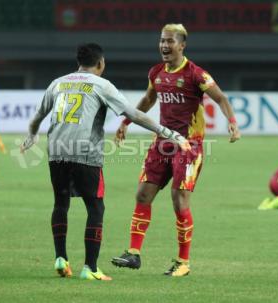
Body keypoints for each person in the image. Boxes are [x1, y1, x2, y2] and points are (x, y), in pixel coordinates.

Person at [20, 43, 190, 281]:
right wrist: (169, 133)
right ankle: (90, 267)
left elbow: (38, 116)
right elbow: (133, 114)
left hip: (56, 151)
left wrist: (31, 136)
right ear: (100, 63)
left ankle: (61, 258)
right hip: (84, 153)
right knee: (95, 207)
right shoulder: (101, 84)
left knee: (60, 203)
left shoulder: (58, 82)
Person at [111, 24, 241, 277]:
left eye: (170, 41)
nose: (164, 45)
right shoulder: (156, 72)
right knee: (142, 195)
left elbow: (221, 98)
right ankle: (133, 254)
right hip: (161, 142)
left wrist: (233, 123)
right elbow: (149, 100)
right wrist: (126, 122)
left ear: (182, 45)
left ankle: (183, 262)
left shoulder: (196, 74)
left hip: (188, 145)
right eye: (162, 41)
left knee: (178, 200)